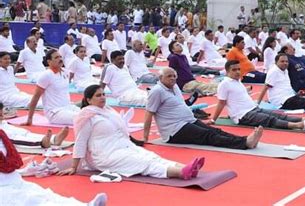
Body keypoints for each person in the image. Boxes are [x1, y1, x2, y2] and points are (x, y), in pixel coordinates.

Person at [57, 85, 204, 181]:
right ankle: (180, 172)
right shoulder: (86, 116)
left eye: (103, 94)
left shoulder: (107, 110)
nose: (102, 97)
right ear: (88, 100)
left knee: (150, 156)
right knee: (142, 162)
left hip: (122, 147)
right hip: (104, 155)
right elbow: (80, 141)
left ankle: (186, 167)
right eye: (98, 95)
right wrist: (74, 167)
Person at [143, 67, 262, 149]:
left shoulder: (174, 87)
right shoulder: (157, 91)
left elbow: (179, 104)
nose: (173, 78)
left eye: (174, 76)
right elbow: (149, 113)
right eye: (169, 76)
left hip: (188, 121)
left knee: (215, 131)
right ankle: (245, 143)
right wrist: (145, 137)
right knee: (208, 136)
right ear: (160, 78)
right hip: (175, 129)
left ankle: (245, 140)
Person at [0, 128, 107, 206]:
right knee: (30, 200)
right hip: (4, 189)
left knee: (43, 194)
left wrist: (27, 171)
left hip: (15, 180)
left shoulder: (2, 134)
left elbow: (11, 164)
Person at [210, 60, 305, 131]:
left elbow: (235, 98)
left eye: (239, 69)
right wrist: (213, 120)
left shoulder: (237, 81)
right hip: (243, 115)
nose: (238, 72)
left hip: (253, 108)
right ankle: (299, 125)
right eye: (234, 70)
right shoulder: (224, 84)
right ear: (227, 71)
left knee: (278, 115)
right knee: (270, 120)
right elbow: (221, 103)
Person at [26, 50, 80, 126]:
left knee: (92, 113)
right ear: (49, 61)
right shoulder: (46, 75)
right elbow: (36, 97)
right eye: (56, 57)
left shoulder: (65, 72)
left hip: (68, 107)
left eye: (60, 57)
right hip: (55, 112)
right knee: (83, 118)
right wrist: (30, 118)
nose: (60, 59)